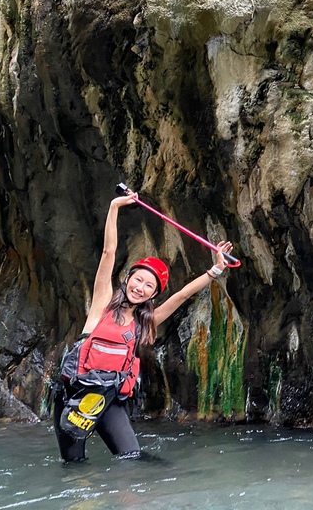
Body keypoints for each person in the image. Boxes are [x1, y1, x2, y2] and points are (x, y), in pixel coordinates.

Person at [53, 189, 233, 462]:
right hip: (74, 396)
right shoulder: (102, 305)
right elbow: (108, 253)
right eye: (138, 279)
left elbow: (182, 296)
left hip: (107, 399)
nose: (140, 287)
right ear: (128, 279)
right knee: (73, 463)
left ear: (153, 295)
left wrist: (216, 270)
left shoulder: (144, 324)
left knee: (131, 457)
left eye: (149, 286)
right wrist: (115, 207)